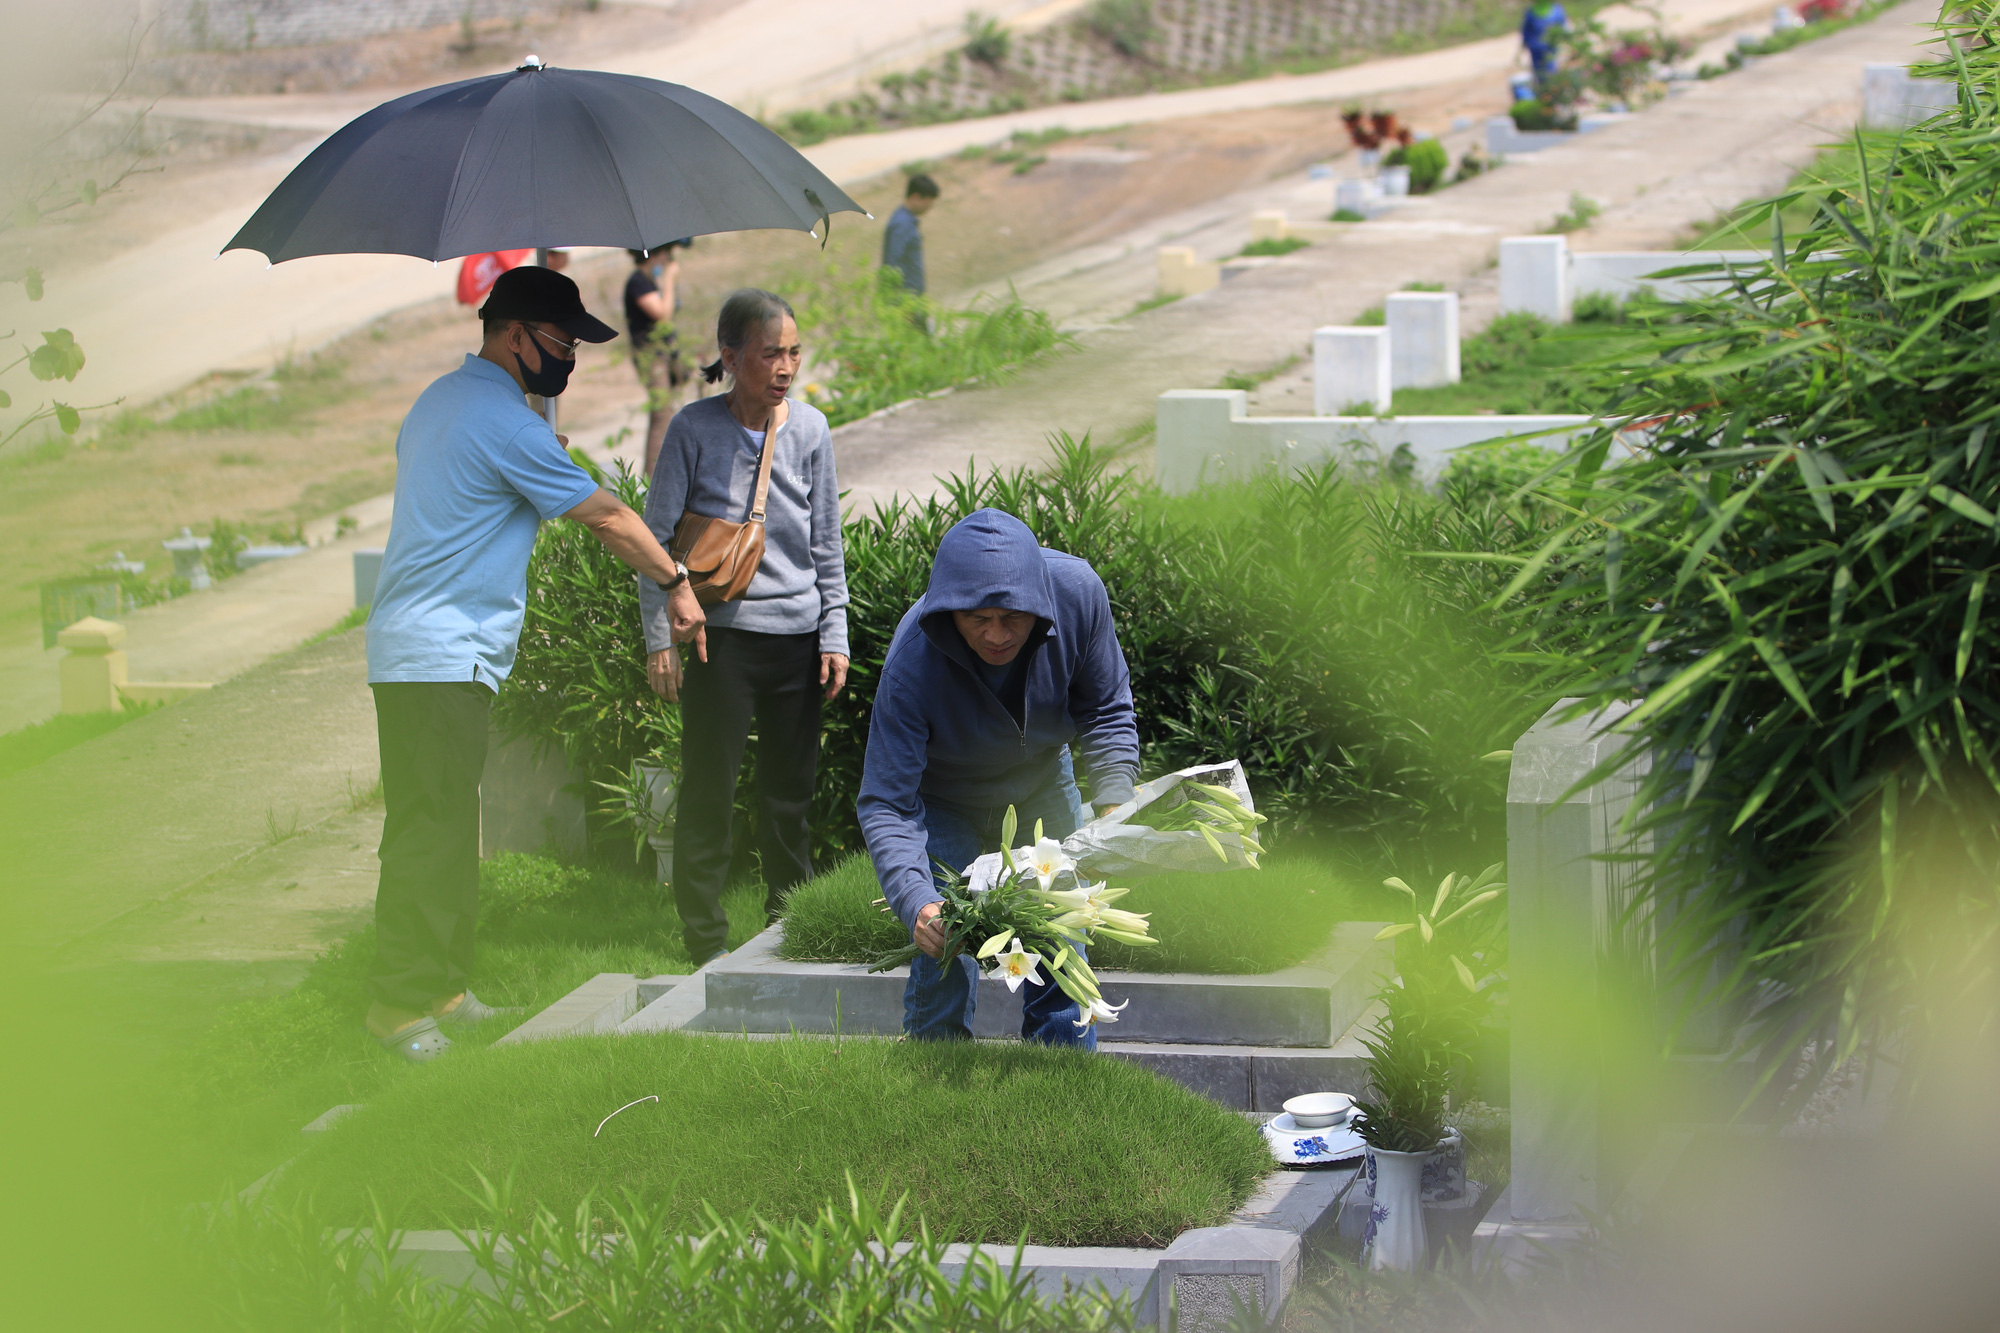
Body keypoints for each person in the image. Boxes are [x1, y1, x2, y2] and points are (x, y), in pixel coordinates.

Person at [364, 264, 706, 1062]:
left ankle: (443, 985)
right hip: (438, 650)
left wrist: (527, 448)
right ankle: (394, 1005)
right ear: (514, 335)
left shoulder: (443, 402)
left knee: (450, 820)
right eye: (561, 343)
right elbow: (612, 517)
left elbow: (465, 487)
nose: (571, 360)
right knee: (428, 827)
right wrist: (676, 580)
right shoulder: (506, 426)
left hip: (425, 647)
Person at [856, 508, 1139, 1047]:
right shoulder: (911, 662)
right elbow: (886, 802)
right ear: (949, 610)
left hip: (1041, 786)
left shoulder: (1077, 593)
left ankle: (1062, 1089)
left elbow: (1106, 709)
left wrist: (1114, 805)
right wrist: (917, 901)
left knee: (1060, 938)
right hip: (943, 801)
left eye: (1013, 616)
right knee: (945, 947)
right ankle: (934, 1087)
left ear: (1041, 602)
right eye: (976, 618)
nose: (996, 634)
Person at [640, 289, 850, 967]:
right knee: (709, 790)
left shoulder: (812, 430)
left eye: (793, 351)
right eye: (770, 353)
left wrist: (834, 632)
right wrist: (657, 640)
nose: (785, 366)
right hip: (718, 640)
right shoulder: (692, 429)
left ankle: (789, 930)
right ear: (730, 357)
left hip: (798, 638)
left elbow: (827, 543)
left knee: (788, 796)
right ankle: (704, 940)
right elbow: (653, 541)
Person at [625, 241, 691, 478]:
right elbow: (662, 315)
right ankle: (651, 477)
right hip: (650, 355)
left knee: (669, 410)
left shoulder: (649, 282)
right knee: (661, 413)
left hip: (664, 353)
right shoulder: (638, 282)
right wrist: (670, 279)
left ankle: (668, 467)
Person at [880, 173, 939, 297]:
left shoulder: (906, 220)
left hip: (911, 296)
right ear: (916, 197)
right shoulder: (902, 224)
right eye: (928, 202)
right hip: (906, 299)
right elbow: (892, 263)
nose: (929, 207)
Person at [1519, 0, 1568, 89]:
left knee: (1546, 70)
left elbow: (1526, 30)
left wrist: (1525, 42)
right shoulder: (1556, 10)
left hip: (1545, 46)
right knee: (1545, 70)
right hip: (1540, 47)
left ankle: (1548, 91)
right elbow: (1562, 26)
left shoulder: (1532, 11)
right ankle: (1547, 92)